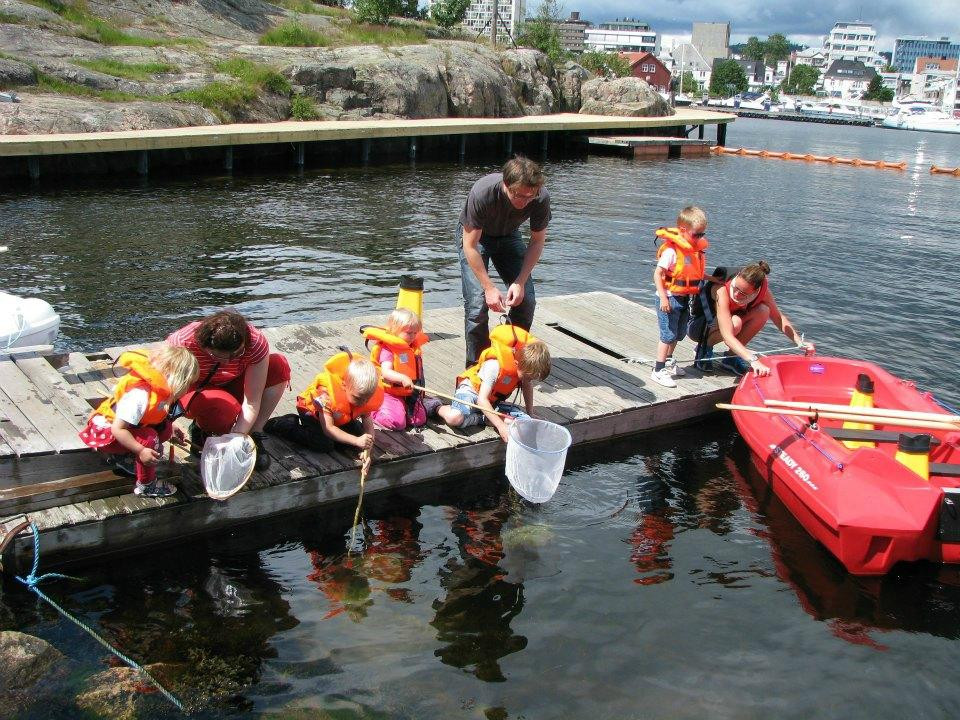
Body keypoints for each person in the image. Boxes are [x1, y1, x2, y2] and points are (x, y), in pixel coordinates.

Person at [167, 310, 290, 471]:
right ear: (205, 345)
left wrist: (236, 438)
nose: (227, 362)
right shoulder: (183, 342)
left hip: (231, 382)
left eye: (236, 354)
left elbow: (252, 401)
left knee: (278, 366)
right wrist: (167, 424)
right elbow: (166, 390)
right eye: (217, 357)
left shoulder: (255, 343)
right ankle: (202, 428)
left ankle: (253, 435)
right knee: (224, 407)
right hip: (194, 390)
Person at [458, 155, 551, 367]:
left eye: (531, 196)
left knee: (526, 300)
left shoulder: (540, 197)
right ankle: (477, 367)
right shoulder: (483, 193)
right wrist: (489, 287)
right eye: (520, 196)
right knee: (477, 304)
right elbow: (470, 245)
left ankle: (514, 360)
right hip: (475, 237)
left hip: (509, 235)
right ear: (506, 185)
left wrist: (519, 281)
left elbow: (536, 242)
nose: (525, 202)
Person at [78, 345, 198, 497]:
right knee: (149, 438)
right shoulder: (139, 395)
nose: (187, 389)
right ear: (175, 378)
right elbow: (118, 429)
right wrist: (141, 450)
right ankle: (146, 485)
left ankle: (128, 455)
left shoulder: (158, 391)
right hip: (106, 434)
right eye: (187, 383)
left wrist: (170, 426)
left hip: (125, 430)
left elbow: (151, 417)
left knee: (166, 428)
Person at [689, 260, 815, 376]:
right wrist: (752, 359)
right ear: (737, 277)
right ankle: (704, 349)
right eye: (736, 288)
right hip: (698, 327)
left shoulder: (763, 292)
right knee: (736, 323)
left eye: (743, 293)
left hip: (729, 323)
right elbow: (727, 335)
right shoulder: (721, 289)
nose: (737, 294)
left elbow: (778, 318)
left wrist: (799, 341)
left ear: (755, 291)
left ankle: (731, 359)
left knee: (764, 310)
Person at [265, 352, 383, 475]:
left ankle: (345, 439)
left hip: (339, 417)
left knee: (359, 431)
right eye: (358, 398)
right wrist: (356, 441)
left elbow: (368, 424)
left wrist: (367, 450)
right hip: (312, 413)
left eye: (367, 398)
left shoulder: (363, 395)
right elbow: (329, 429)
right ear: (344, 385)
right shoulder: (326, 395)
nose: (363, 402)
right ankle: (284, 424)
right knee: (324, 444)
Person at [437, 323, 551, 443]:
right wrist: (501, 427)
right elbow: (482, 400)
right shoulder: (494, 366)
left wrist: (530, 412)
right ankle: (437, 407)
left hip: (491, 402)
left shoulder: (525, 372)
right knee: (454, 418)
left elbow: (527, 386)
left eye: (532, 379)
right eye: (527, 377)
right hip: (473, 393)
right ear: (517, 364)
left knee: (523, 422)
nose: (528, 380)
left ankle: (481, 417)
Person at [649, 206, 711, 388]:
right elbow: (657, 274)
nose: (699, 239)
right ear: (683, 230)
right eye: (696, 235)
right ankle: (658, 370)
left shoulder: (693, 251)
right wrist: (663, 298)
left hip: (684, 298)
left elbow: (695, 274)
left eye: (702, 235)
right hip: (669, 298)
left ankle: (668, 361)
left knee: (679, 334)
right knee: (667, 335)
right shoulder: (671, 252)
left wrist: (714, 278)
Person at [361, 308, 441, 430]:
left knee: (419, 420)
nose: (413, 336)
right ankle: (371, 411)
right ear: (394, 331)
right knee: (397, 423)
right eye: (409, 333)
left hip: (408, 394)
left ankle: (402, 408)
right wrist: (402, 378)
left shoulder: (412, 348)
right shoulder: (388, 349)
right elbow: (386, 372)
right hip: (389, 393)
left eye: (415, 333)